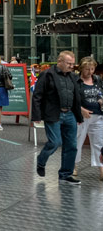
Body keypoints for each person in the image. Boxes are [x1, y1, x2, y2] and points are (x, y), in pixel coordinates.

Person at [33, 51, 83, 184]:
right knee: (55, 142)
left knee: (72, 145)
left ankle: (65, 175)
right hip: (54, 113)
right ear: (59, 61)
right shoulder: (47, 74)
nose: (71, 66)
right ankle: (41, 161)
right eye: (69, 63)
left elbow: (76, 97)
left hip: (70, 114)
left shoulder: (73, 76)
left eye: (73, 64)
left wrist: (78, 116)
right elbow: (37, 95)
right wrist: (37, 115)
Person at [74, 57, 103, 181]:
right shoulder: (76, 81)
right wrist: (81, 109)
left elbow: (100, 92)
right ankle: (73, 165)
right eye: (87, 69)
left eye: (92, 69)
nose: (90, 72)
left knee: (99, 143)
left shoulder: (97, 80)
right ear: (81, 69)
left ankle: (101, 169)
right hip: (81, 116)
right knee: (77, 141)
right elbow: (71, 98)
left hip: (98, 115)